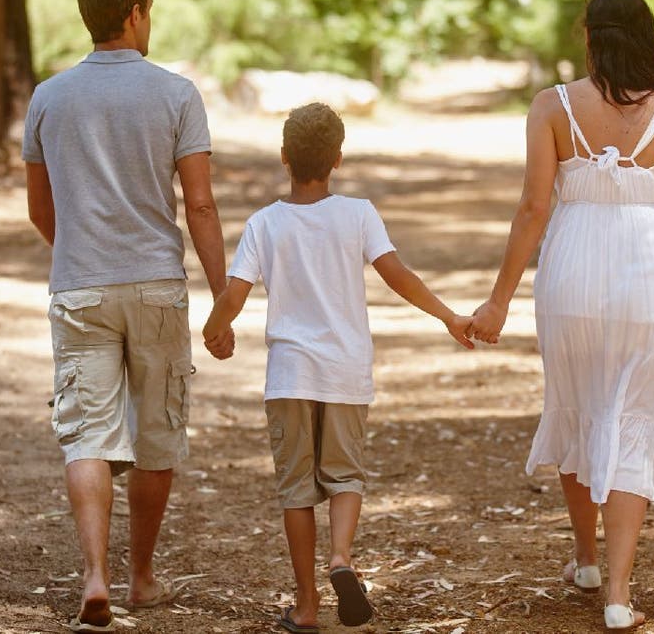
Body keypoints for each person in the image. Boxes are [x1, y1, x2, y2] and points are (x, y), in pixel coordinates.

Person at [467, 0, 654, 630]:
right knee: (632, 416)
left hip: (572, 273)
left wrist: (497, 301)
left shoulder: (552, 106)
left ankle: (585, 558)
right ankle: (619, 594)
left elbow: (533, 209)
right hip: (645, 276)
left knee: (580, 404)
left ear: (590, 36)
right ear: (647, 35)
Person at [202, 103, 474, 633]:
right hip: (346, 371)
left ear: (284, 158)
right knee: (346, 475)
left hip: (290, 375)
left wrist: (215, 329)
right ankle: (342, 558)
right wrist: (448, 315)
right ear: (338, 160)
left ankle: (306, 606)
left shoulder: (265, 223)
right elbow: (398, 275)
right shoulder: (359, 213)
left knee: (297, 490)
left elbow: (234, 293)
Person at [22, 0, 231, 632]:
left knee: (86, 432)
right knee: (156, 435)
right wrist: (224, 294)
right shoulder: (175, 94)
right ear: (137, 13)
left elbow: (38, 206)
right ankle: (141, 575)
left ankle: (94, 574)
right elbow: (199, 203)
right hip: (155, 287)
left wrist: (78, 248)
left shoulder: (49, 97)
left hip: (80, 284)